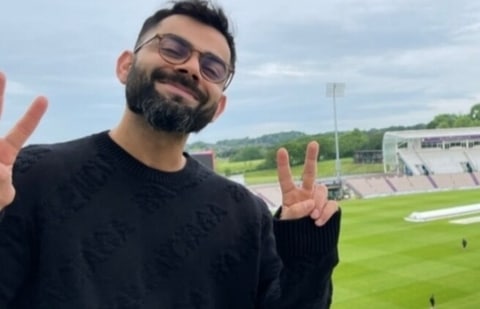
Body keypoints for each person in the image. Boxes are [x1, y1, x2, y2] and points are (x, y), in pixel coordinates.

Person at [0, 1, 341, 308]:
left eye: (213, 68)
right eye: (174, 48)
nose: (192, 67)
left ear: (218, 107)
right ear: (125, 66)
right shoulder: (32, 177)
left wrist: (307, 251)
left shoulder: (246, 215)